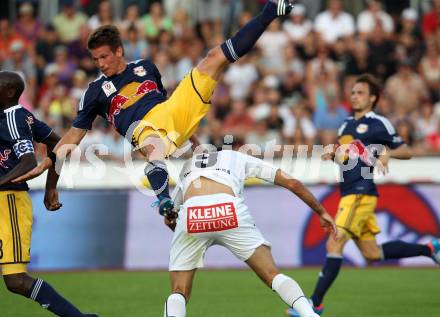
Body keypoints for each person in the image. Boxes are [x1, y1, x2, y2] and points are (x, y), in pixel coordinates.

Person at [15, 0, 295, 217]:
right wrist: (52, 182)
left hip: (170, 111)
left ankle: (270, 9)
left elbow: (169, 112)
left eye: (104, 56)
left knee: (213, 59)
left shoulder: (146, 67)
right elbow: (71, 140)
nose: (100, 64)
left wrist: (195, 143)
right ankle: (164, 202)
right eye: (95, 58)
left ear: (119, 51)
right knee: (152, 144)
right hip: (144, 127)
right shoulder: (94, 92)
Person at [286, 74, 440, 317]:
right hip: (349, 191)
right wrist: (333, 152)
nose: (354, 96)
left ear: (372, 98)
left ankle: (314, 304)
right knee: (372, 253)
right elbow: (346, 156)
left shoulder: (379, 123)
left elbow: (406, 150)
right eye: (353, 92)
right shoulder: (345, 125)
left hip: (361, 192)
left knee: (334, 241)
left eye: (359, 92)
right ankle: (429, 249)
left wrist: (388, 153)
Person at [162, 148, 338, 317]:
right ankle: (309, 314)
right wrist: (321, 212)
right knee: (272, 275)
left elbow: (170, 218)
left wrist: (187, 234)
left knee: (179, 291)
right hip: (229, 209)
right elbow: (293, 183)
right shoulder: (237, 157)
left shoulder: (188, 165)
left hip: (193, 214)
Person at [0, 71, 98, 317]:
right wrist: (51, 185)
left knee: (16, 281)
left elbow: (27, 161)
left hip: (8, 201)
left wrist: (50, 184)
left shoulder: (13, 117)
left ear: (10, 92)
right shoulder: (17, 117)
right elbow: (58, 143)